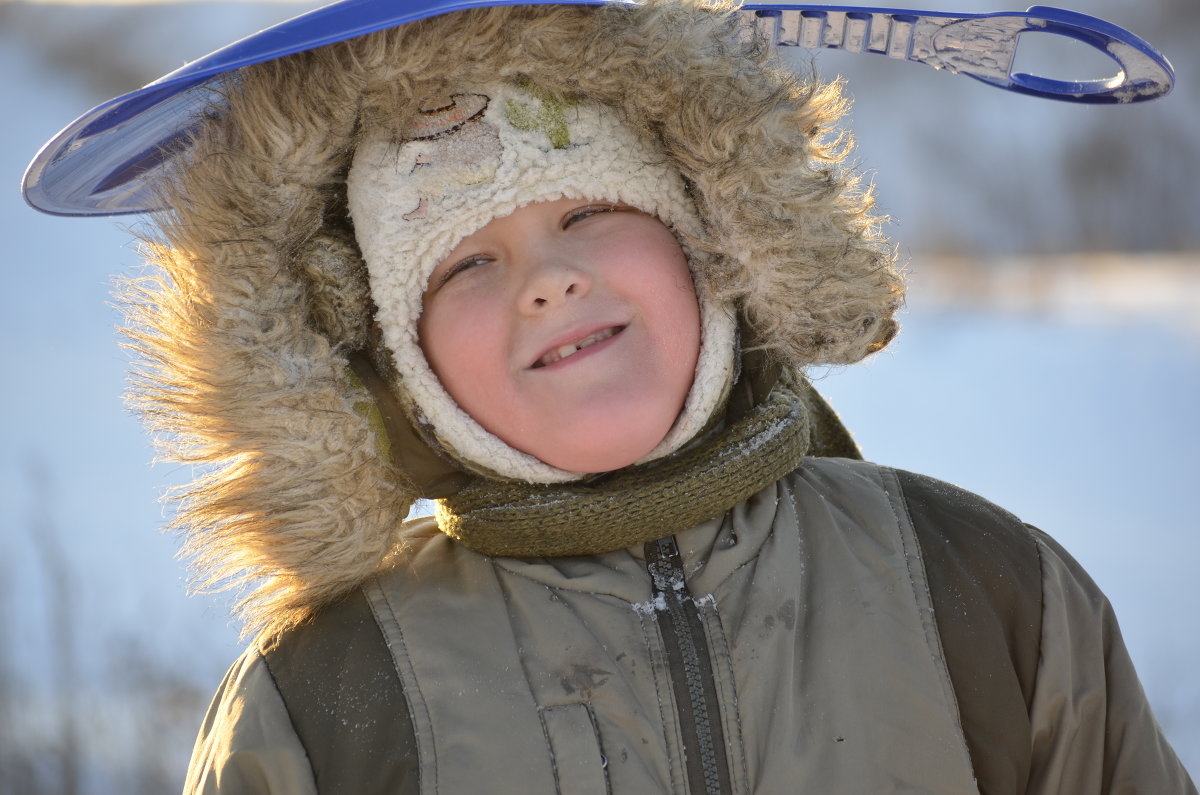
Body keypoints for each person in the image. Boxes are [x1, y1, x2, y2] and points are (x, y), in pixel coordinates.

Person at [65, 0, 1194, 792]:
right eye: (464, 265)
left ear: (715, 240)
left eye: (588, 213)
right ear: (394, 367)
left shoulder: (985, 593)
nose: (551, 281)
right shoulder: (327, 699)